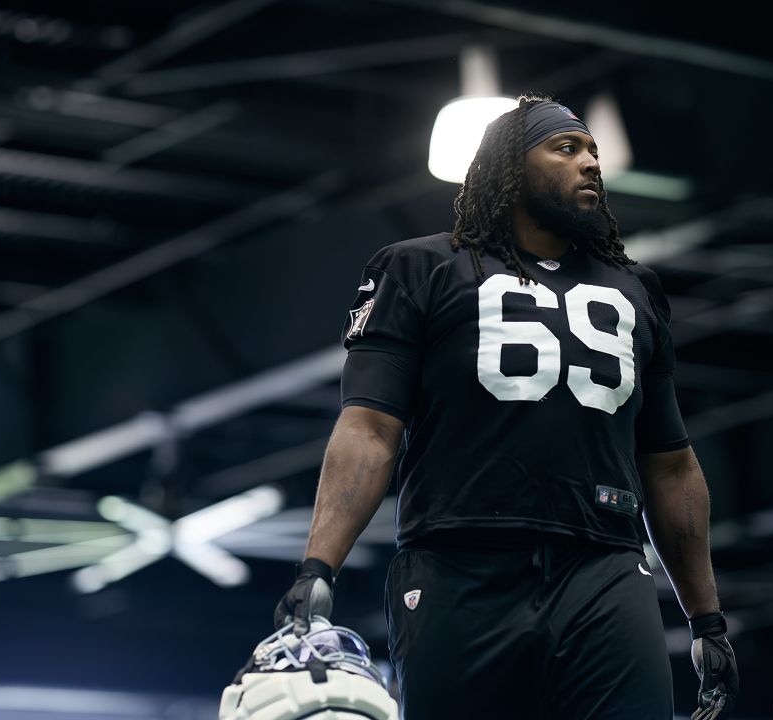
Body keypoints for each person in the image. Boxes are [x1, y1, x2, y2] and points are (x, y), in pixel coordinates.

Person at [273, 94, 739, 719]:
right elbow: (369, 428)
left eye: (594, 151)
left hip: (602, 566)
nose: (591, 163)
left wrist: (705, 619)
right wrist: (317, 564)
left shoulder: (634, 289)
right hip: (457, 561)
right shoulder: (419, 268)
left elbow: (671, 464)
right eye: (567, 148)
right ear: (510, 169)